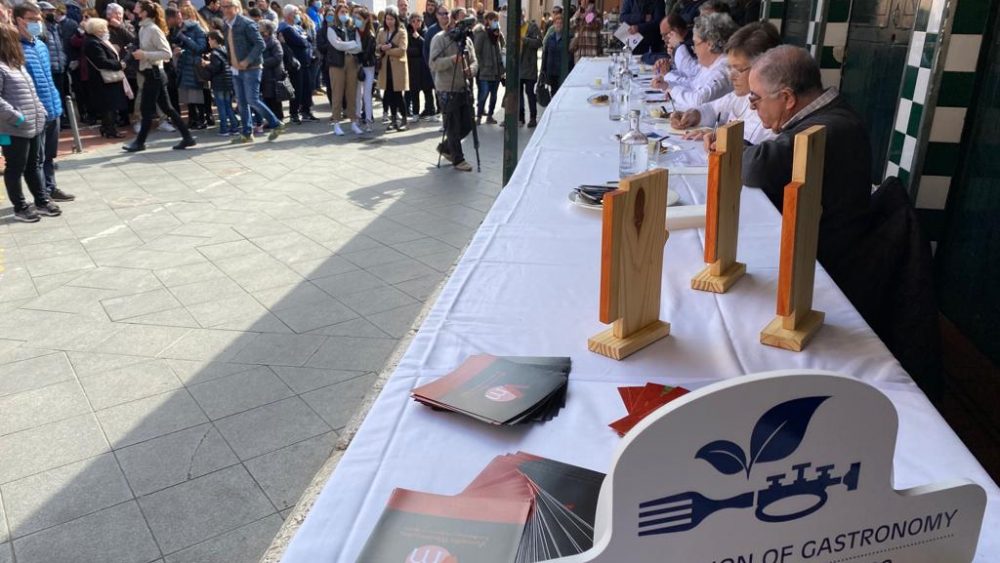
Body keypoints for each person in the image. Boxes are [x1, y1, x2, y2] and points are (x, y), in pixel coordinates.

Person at [743, 45, 873, 271]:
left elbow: (757, 169)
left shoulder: (827, 128)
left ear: (787, 98)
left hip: (824, 263)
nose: (753, 108)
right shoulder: (831, 112)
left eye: (755, 99)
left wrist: (733, 147)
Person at [672, 21, 779, 147]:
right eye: (730, 68)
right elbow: (714, 108)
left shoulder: (776, 112)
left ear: (763, 68)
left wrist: (722, 138)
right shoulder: (742, 95)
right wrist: (695, 115)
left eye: (738, 69)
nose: (731, 76)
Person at [0, 23, 61, 222]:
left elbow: (31, 92)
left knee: (33, 164)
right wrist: (17, 117)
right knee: (15, 167)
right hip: (12, 128)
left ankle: (42, 201)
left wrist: (40, 112)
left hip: (33, 125)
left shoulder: (15, 64)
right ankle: (20, 206)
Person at [14, 1, 73, 202]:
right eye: (32, 20)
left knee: (49, 155)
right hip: (34, 110)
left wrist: (56, 103)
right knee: (35, 159)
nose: (37, 23)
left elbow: (49, 76)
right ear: (19, 20)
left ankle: (50, 186)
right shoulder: (14, 47)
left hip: (52, 106)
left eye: (38, 19)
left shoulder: (40, 44)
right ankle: (42, 196)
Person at [122, 0, 196, 152]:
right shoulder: (143, 28)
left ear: (144, 12)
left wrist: (144, 54)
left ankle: (140, 142)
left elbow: (167, 53)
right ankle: (187, 137)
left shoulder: (153, 29)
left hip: (154, 73)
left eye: (138, 6)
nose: (134, 7)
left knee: (146, 109)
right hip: (150, 73)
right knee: (167, 108)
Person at [220, 0, 285, 143]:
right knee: (242, 102)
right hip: (236, 68)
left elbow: (260, 44)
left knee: (252, 99)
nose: (224, 9)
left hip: (252, 68)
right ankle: (247, 133)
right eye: (222, 6)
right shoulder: (226, 25)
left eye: (227, 6)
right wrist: (232, 63)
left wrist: (247, 61)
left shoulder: (246, 24)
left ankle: (276, 123)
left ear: (236, 8)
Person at [651, 12, 736, 110]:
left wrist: (671, 89)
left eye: (695, 43)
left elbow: (698, 100)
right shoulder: (711, 65)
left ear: (709, 44)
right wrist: (666, 84)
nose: (694, 50)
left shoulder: (723, 70)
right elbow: (693, 84)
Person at [429, 6, 477, 171]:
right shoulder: (439, 39)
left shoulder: (466, 40)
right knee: (453, 126)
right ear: (437, 16)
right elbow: (433, 63)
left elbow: (474, 61)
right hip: (446, 89)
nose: (445, 17)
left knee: (469, 124)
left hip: (464, 86)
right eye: (441, 14)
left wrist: (472, 69)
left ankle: (446, 147)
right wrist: (451, 60)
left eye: (447, 14)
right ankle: (458, 160)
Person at [82, 17, 128, 139]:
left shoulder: (96, 41)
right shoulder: (93, 43)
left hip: (105, 79)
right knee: (109, 106)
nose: (106, 30)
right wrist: (119, 65)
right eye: (104, 28)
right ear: (98, 30)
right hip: (103, 79)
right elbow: (101, 61)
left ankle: (107, 127)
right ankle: (110, 129)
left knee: (110, 105)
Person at [166, 6, 209, 130]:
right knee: (187, 95)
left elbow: (200, 48)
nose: (180, 19)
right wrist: (176, 49)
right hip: (182, 65)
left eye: (181, 16)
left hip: (194, 66)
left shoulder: (196, 28)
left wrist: (184, 38)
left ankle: (202, 119)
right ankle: (193, 119)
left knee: (197, 94)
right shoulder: (174, 30)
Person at [326, 2, 361, 135]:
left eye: (346, 12)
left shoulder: (353, 28)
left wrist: (347, 44)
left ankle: (353, 122)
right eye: (342, 12)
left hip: (352, 61)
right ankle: (336, 123)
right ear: (336, 14)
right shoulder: (332, 28)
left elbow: (359, 47)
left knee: (352, 93)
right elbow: (337, 45)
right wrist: (351, 44)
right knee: (337, 93)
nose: (344, 14)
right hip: (337, 63)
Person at [279, 4, 315, 123]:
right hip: (296, 64)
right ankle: (294, 113)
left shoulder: (298, 27)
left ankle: (306, 111)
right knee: (297, 89)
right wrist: (304, 39)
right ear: (289, 15)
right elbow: (302, 42)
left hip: (306, 62)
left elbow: (309, 40)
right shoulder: (286, 29)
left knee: (307, 88)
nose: (298, 15)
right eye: (296, 13)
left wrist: (305, 39)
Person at [201, 29, 238, 135]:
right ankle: (234, 127)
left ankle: (224, 129)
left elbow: (215, 68)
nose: (208, 42)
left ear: (214, 40)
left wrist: (206, 64)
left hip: (219, 83)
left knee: (221, 107)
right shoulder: (225, 49)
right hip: (228, 81)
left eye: (209, 40)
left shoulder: (214, 53)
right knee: (228, 106)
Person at [376, 5, 408, 131]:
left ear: (396, 19)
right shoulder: (381, 32)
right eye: (387, 19)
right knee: (388, 94)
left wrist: (387, 50)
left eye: (392, 19)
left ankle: (404, 119)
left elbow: (402, 50)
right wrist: (381, 48)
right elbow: (377, 47)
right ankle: (393, 119)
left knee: (398, 94)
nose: (389, 21)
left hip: (398, 68)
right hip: (385, 68)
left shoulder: (401, 32)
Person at [472, 10, 501, 124]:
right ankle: (479, 116)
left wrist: (499, 35)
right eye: (493, 20)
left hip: (496, 70)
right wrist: (482, 65)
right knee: (483, 94)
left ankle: (490, 115)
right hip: (485, 70)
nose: (495, 22)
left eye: (496, 20)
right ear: (487, 21)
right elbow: (476, 51)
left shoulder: (497, 34)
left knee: (494, 95)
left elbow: (501, 48)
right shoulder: (482, 33)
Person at [405, 13, 431, 120]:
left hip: (424, 66)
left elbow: (427, 47)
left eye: (418, 20)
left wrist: (419, 38)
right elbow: (407, 50)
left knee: (427, 90)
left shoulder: (425, 32)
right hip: (413, 67)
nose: (416, 23)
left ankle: (431, 111)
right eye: (413, 21)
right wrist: (417, 51)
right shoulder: (407, 33)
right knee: (414, 91)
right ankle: (415, 113)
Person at [517, 12, 541, 128]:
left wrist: (524, 39)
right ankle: (520, 118)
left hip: (529, 66)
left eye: (520, 17)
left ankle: (532, 118)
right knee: (519, 93)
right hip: (517, 66)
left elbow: (538, 43)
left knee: (530, 93)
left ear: (523, 16)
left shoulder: (532, 27)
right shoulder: (513, 28)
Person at [354, 6, 376, 130]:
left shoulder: (370, 34)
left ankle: (368, 120)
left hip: (368, 66)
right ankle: (357, 119)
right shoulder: (354, 32)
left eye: (359, 18)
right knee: (357, 94)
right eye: (356, 17)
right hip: (357, 66)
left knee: (366, 94)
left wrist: (359, 58)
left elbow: (367, 53)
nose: (356, 20)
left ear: (366, 19)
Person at [540, 9, 566, 95]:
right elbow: (545, 55)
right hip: (551, 72)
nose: (558, 25)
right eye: (557, 23)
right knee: (553, 94)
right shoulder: (550, 38)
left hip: (562, 72)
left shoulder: (567, 38)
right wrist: (543, 70)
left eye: (560, 23)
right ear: (554, 24)